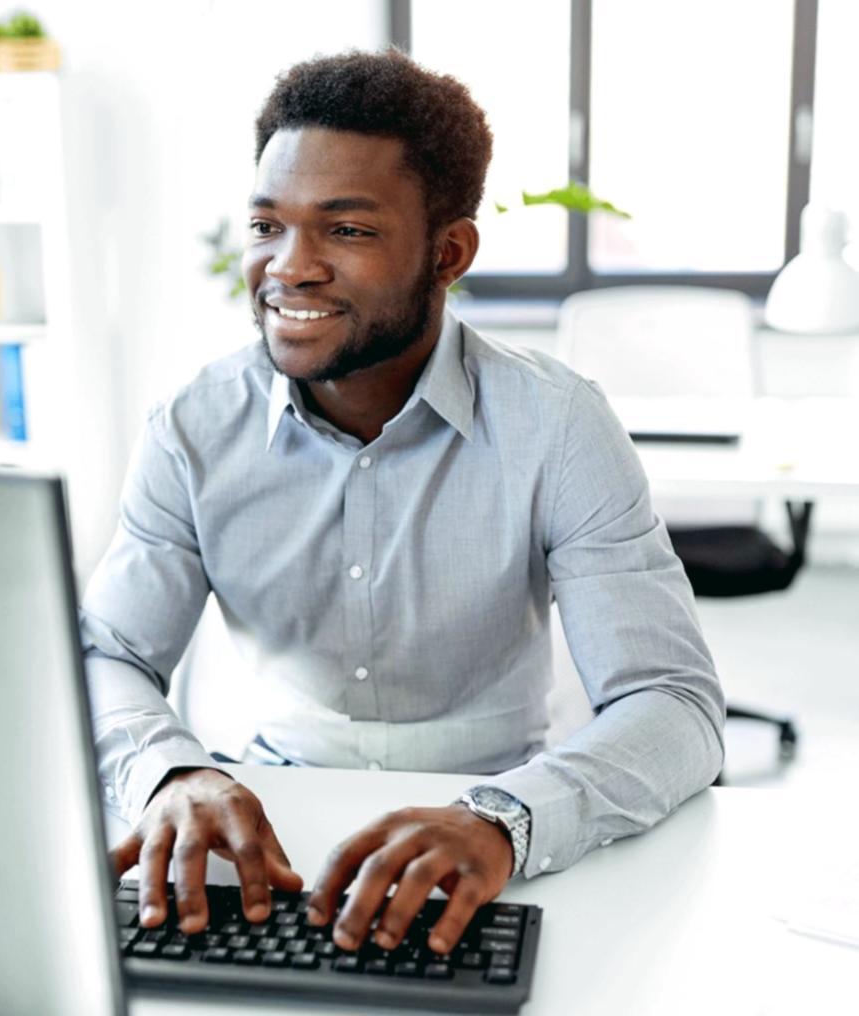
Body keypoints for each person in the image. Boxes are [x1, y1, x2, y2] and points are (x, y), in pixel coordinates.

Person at [82, 49, 724, 958]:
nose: (288, 269)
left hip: (497, 824)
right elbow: (107, 654)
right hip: (273, 829)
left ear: (449, 253)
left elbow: (673, 703)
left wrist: (506, 822)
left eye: (345, 232)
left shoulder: (557, 426)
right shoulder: (193, 427)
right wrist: (170, 773)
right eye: (269, 225)